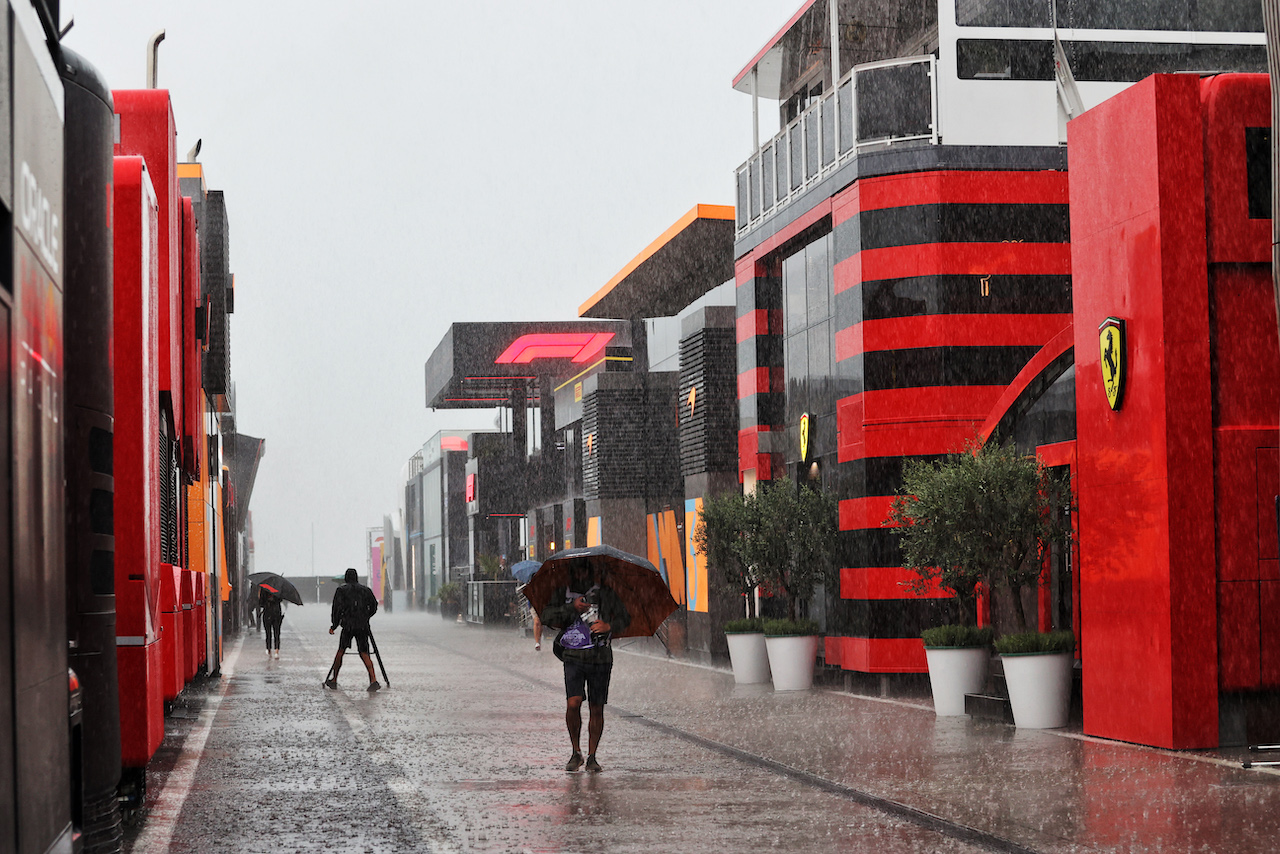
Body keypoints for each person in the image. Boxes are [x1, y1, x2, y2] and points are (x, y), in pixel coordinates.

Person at [541, 565, 629, 772]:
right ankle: (575, 752)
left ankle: (592, 756)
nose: (580, 575)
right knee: (574, 702)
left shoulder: (606, 592)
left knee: (596, 707)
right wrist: (572, 607)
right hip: (573, 656)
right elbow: (547, 616)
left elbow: (625, 618)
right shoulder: (563, 592)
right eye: (576, 571)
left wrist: (609, 627)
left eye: (584, 571)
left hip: (601, 657)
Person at [325, 568, 381, 691]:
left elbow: (336, 609)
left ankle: (334, 679)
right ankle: (373, 679)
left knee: (341, 650)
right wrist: (366, 616)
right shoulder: (366, 590)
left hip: (348, 624)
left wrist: (334, 625)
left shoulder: (341, 591)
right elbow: (374, 606)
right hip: (362, 624)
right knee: (364, 652)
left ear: (346, 578)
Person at [260, 587, 284, 659]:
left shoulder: (264, 589)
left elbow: (261, 603)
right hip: (277, 612)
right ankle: (276, 650)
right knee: (277, 632)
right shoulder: (278, 589)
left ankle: (269, 649)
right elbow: (280, 599)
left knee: (268, 633)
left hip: (267, 612)